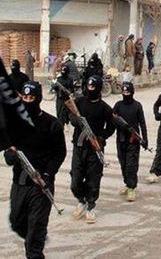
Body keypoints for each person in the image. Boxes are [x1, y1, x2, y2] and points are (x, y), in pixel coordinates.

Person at [3, 81, 66, 259]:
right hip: (20, 183)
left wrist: (47, 174)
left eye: (32, 98)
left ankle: (35, 245)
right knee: (16, 222)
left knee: (35, 232)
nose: (28, 101)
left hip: (41, 186)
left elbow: (59, 153)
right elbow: (7, 153)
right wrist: (11, 156)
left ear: (38, 99)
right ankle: (34, 238)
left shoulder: (51, 124)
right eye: (25, 97)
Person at [70, 75, 115, 224]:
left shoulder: (105, 108)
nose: (90, 89)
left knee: (93, 179)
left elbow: (111, 127)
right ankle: (81, 200)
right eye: (88, 87)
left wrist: (101, 138)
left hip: (95, 150)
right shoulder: (79, 102)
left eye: (93, 87)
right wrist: (74, 120)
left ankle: (90, 206)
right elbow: (70, 113)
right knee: (75, 178)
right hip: (79, 146)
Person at [113, 82, 147, 201]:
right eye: (123, 92)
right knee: (123, 164)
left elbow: (142, 123)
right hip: (121, 139)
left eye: (127, 92)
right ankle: (127, 184)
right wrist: (119, 125)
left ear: (132, 92)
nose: (125, 94)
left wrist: (145, 139)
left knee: (131, 165)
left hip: (133, 140)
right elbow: (112, 119)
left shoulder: (137, 105)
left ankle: (132, 188)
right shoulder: (118, 105)